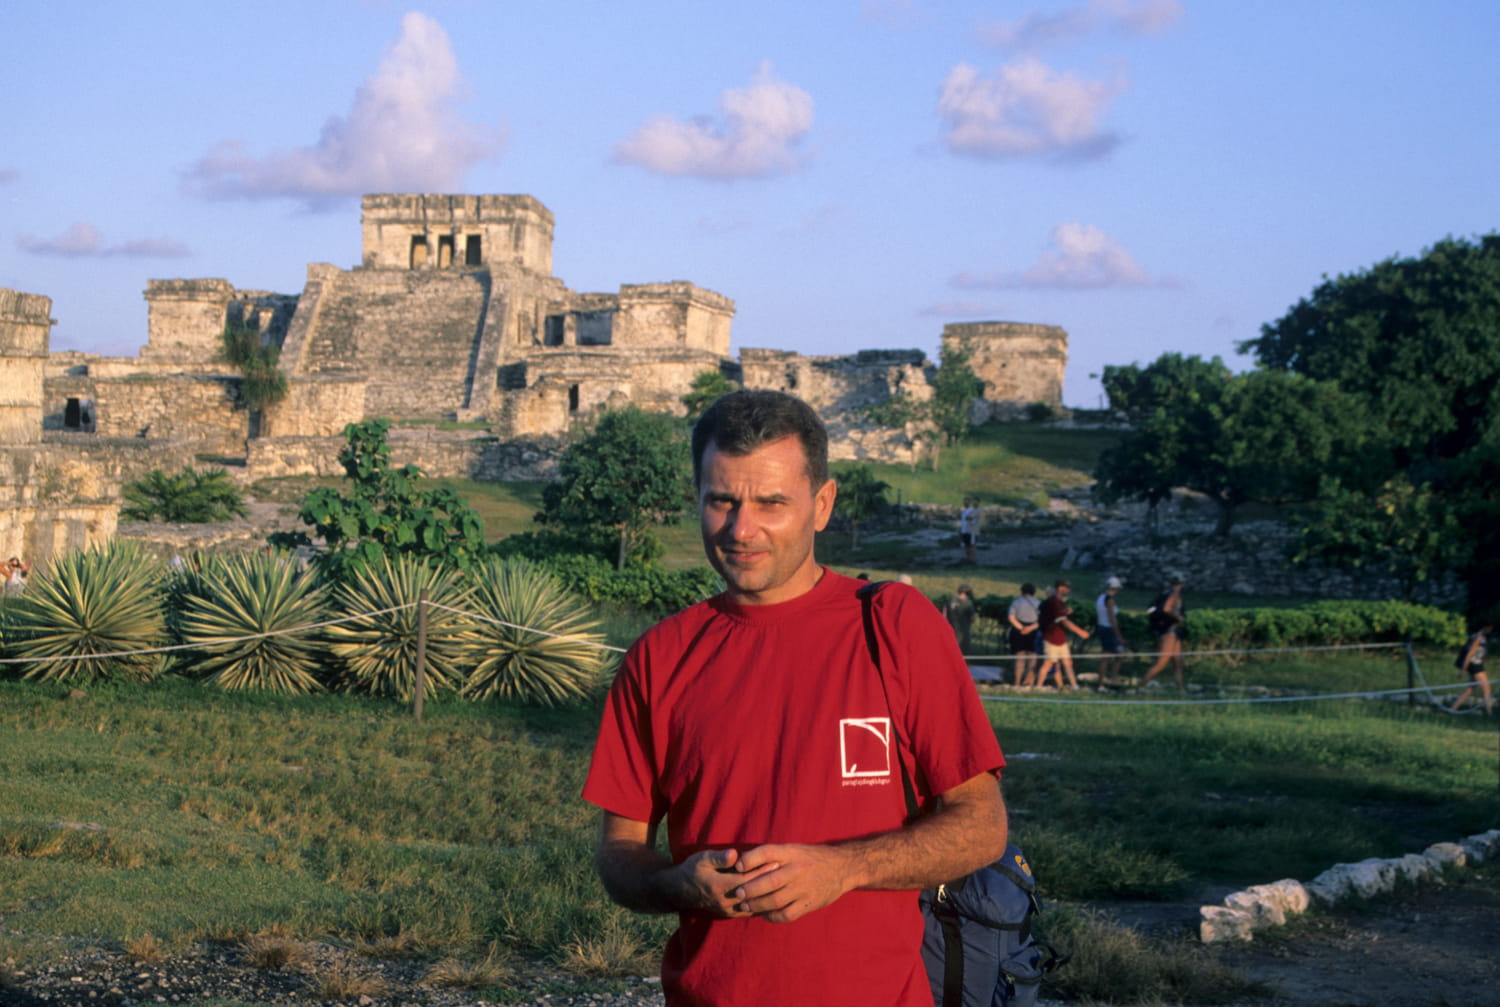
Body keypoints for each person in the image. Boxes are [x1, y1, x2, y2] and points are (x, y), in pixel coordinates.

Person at [583, 390, 1007, 1007]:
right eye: (721, 500)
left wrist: (843, 869)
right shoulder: (659, 657)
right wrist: (678, 884)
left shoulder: (894, 626)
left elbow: (982, 824)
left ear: (821, 504)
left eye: (771, 503)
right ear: (697, 499)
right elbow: (619, 855)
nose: (741, 529)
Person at [1034, 578, 1089, 690]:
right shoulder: (1054, 602)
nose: (1068, 590)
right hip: (1051, 638)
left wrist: (1066, 611)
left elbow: (1060, 615)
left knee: (1068, 662)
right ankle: (1038, 687)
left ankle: (1075, 686)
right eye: (1067, 588)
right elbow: (1063, 621)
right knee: (1048, 663)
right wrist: (1080, 631)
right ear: (1060, 588)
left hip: (1060, 638)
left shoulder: (1059, 602)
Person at [1141, 574, 1187, 691]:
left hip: (1173, 631)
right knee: (1161, 663)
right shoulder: (1174, 594)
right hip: (1169, 632)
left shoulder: (1165, 593)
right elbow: (1166, 609)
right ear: (1181, 584)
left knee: (1178, 662)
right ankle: (1139, 687)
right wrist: (1178, 617)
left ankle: (1181, 689)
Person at [1448, 620, 1493, 715]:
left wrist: (1484, 657)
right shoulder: (1478, 637)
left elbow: (1479, 651)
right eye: (1490, 627)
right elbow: (1470, 653)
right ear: (1485, 627)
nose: (1491, 630)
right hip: (1474, 665)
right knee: (1487, 688)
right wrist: (1463, 670)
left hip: (1477, 663)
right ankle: (1489, 712)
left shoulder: (1481, 637)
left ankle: (1453, 709)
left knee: (1470, 689)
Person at [1007, 582, 1042, 686]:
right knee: (1033, 658)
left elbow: (1011, 617)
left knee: (1019, 658)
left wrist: (1021, 628)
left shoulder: (1016, 602)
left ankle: (1017, 682)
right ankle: (1029, 682)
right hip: (1034, 631)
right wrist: (1030, 628)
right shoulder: (1038, 603)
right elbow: (1042, 619)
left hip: (1018, 631)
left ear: (1022, 591)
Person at [1095, 576, 1127, 682]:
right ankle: (1109, 680)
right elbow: (1112, 619)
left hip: (1102, 628)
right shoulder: (1110, 600)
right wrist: (1119, 636)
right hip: (1109, 630)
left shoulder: (1101, 597)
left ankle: (1108, 679)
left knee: (1111, 656)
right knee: (1110, 656)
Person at [945, 583, 977, 653]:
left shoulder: (949, 600)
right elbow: (973, 618)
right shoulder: (968, 603)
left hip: (950, 631)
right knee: (962, 654)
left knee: (950, 652)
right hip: (963, 633)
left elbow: (944, 614)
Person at [959, 498, 980, 564]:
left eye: (967, 502)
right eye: (965, 502)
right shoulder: (964, 511)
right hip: (964, 531)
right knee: (966, 545)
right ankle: (967, 558)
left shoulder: (971, 511)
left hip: (970, 531)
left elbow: (973, 520)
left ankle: (973, 559)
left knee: (972, 544)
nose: (966, 503)